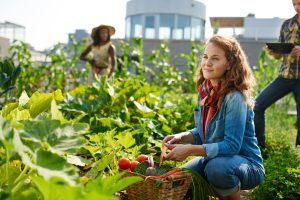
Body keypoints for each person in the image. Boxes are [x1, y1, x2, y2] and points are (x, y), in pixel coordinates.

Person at [162, 35, 265, 200]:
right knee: (180, 178)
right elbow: (205, 131)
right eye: (205, 57)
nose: (207, 63)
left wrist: (190, 150)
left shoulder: (235, 97)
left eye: (215, 58)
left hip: (246, 164)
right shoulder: (205, 91)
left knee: (216, 169)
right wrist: (182, 137)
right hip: (214, 159)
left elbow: (232, 145)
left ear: (229, 64)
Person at [254, 0, 300, 148]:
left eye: (299, 3)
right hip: (284, 77)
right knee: (257, 105)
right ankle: (259, 148)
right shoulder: (286, 24)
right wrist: (274, 52)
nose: (297, 7)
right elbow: (280, 55)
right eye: (294, 3)